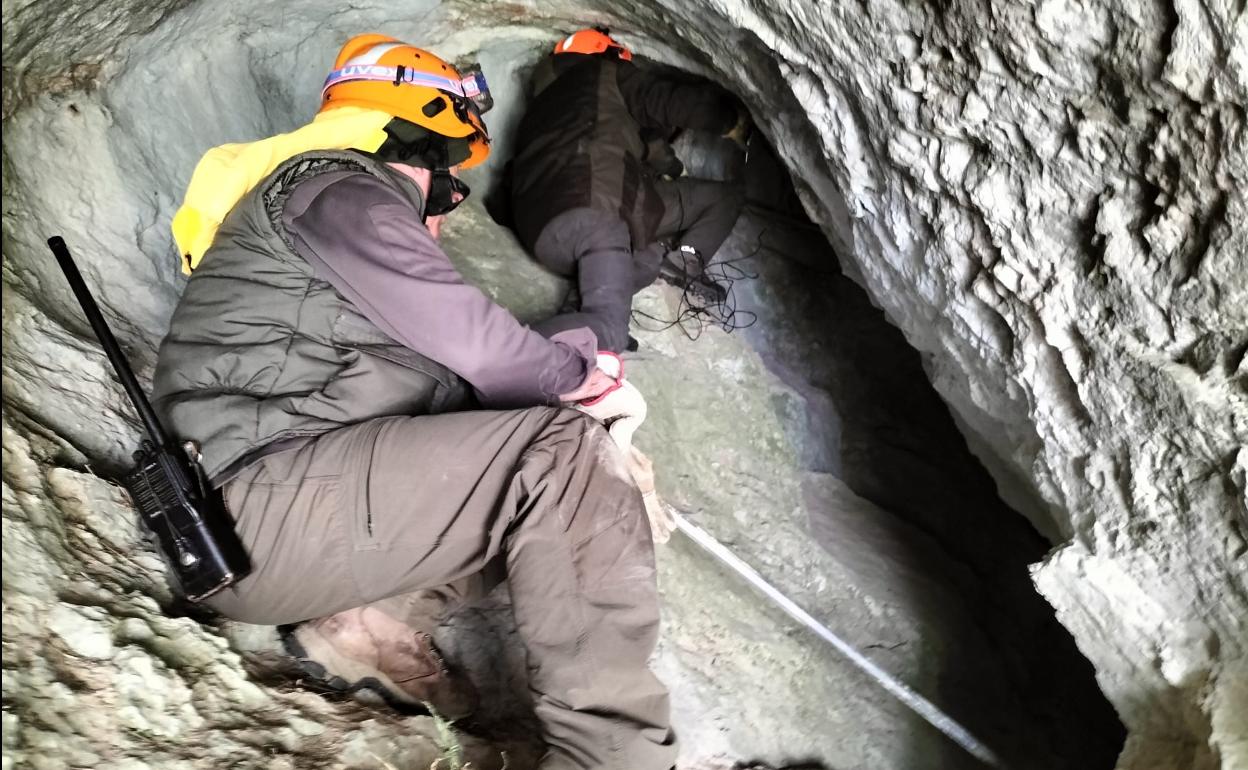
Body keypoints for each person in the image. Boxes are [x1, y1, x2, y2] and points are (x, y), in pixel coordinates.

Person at [153, 33, 676, 770]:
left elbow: (464, 390)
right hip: (261, 507)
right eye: (450, 189)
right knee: (560, 455)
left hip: (267, 523)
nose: (447, 214)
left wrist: (582, 399)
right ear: (425, 131)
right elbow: (480, 346)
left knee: (555, 464)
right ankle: (615, 758)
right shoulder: (338, 187)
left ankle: (366, 625)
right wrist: (582, 393)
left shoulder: (324, 230)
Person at [505, 27, 750, 353]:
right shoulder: (607, 73)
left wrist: (666, 169)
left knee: (647, 257)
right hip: (591, 211)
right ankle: (498, 359)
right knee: (608, 332)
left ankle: (578, 310)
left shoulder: (541, 107)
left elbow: (650, 151)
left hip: (539, 229)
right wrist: (732, 123)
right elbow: (671, 102)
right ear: (609, 56)